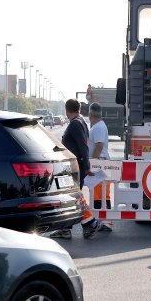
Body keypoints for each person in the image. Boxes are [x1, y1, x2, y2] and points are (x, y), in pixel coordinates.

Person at [49, 99, 101, 240]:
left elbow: (82, 146)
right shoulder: (82, 122)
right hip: (75, 166)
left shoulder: (75, 124)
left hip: (73, 167)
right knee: (72, 197)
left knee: (71, 197)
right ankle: (72, 227)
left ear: (67, 110)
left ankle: (89, 223)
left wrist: (86, 167)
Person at [88, 103, 113, 232]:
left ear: (90, 114)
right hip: (102, 163)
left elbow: (98, 146)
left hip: (100, 163)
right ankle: (105, 221)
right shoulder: (100, 125)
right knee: (103, 194)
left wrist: (92, 163)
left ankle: (103, 220)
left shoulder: (97, 127)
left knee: (100, 194)